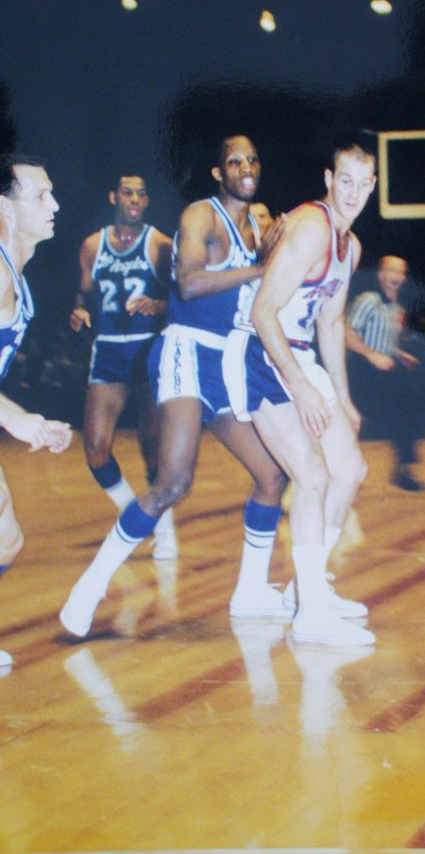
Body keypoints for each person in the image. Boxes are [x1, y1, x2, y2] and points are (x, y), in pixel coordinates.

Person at [60, 135, 288, 638]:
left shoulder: (262, 225)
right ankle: (90, 587)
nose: (245, 166)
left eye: (252, 158)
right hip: (186, 349)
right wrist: (262, 266)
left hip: (229, 358)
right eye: (234, 160)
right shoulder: (199, 217)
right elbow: (186, 284)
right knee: (174, 482)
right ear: (217, 172)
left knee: (272, 476)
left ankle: (250, 592)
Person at [223, 134, 376, 647]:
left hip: (298, 356)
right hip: (261, 354)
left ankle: (306, 589)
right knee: (310, 477)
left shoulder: (350, 247)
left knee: (350, 470)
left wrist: (342, 397)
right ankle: (310, 614)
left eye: (363, 183)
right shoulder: (311, 228)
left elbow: (331, 324)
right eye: (345, 181)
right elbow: (261, 311)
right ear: (330, 181)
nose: (353, 192)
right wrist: (301, 387)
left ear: (373, 187)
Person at [69, 174, 176, 559]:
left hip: (149, 350)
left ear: (147, 201)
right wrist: (79, 309)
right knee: (95, 448)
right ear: (113, 196)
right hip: (110, 351)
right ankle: (135, 515)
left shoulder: (160, 244)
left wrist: (159, 305)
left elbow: (185, 297)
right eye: (127, 192)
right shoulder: (91, 246)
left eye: (141, 194)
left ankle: (162, 527)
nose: (134, 199)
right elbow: (84, 292)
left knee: (151, 445)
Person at [0, 155, 72, 668]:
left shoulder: (16, 274)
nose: (55, 205)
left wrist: (30, 420)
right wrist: (15, 418)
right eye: (40, 195)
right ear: (5, 204)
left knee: (7, 539)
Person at [346, 255, 425, 491]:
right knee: (355, 420)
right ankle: (344, 471)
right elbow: (347, 333)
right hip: (362, 368)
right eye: (392, 272)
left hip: (386, 366)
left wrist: (399, 353)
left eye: (401, 273)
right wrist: (371, 355)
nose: (398, 277)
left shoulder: (396, 308)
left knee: (410, 406)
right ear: (381, 275)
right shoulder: (369, 300)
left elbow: (384, 343)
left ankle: (403, 469)